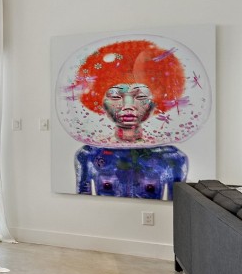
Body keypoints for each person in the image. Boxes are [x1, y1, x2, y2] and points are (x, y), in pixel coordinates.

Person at [71, 41, 189, 200]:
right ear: (101, 103)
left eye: (140, 97)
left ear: (154, 104)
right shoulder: (88, 155)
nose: (128, 106)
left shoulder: (172, 158)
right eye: (115, 96)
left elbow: (177, 208)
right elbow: (83, 200)